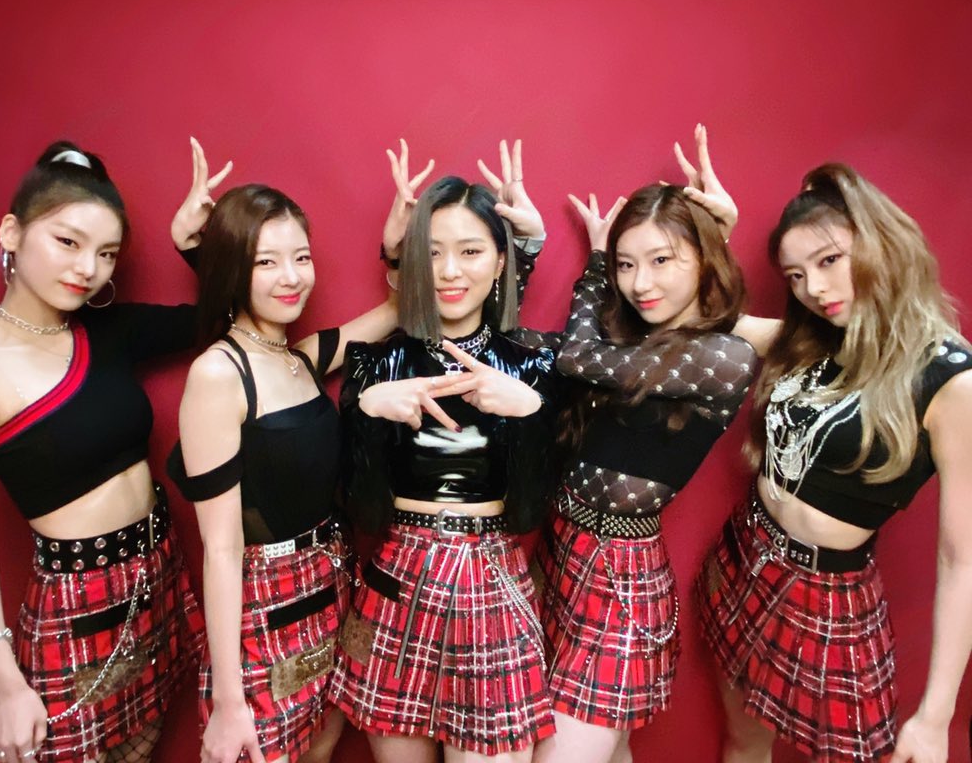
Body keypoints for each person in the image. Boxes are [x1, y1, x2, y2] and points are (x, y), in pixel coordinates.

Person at [0, 139, 216, 763]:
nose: (88, 268)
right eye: (67, 241)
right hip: (77, 611)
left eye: (107, 253)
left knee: (145, 748)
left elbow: (226, 319)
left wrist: (192, 247)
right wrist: (2, 684)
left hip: (159, 576)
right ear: (11, 233)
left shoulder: (110, 331)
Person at [697, 162, 972, 762]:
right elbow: (710, 320)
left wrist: (935, 716)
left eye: (829, 260)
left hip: (827, 596)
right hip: (745, 558)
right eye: (796, 275)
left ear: (881, 243)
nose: (814, 289)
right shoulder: (811, 339)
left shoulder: (950, 378)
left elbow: (963, 560)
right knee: (743, 741)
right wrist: (719, 235)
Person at [533, 126, 776, 763]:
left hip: (619, 581)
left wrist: (595, 262)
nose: (640, 282)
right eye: (626, 264)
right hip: (561, 554)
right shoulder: (636, 341)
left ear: (703, 259)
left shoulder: (723, 356)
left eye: (662, 260)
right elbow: (562, 356)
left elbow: (576, 356)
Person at [165, 148, 398, 763]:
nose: (292, 277)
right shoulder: (220, 373)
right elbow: (220, 548)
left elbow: (400, 312)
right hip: (262, 609)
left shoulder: (299, 358)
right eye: (265, 262)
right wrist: (230, 701)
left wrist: (398, 248)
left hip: (332, 589)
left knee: (321, 747)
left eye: (301, 257)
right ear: (232, 270)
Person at [329, 142, 557, 762]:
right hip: (396, 580)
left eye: (470, 251)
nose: (450, 272)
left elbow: (532, 510)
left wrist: (532, 413)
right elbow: (359, 508)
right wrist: (365, 412)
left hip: (491, 580)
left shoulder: (531, 365)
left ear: (501, 260)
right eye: (431, 253)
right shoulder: (377, 362)